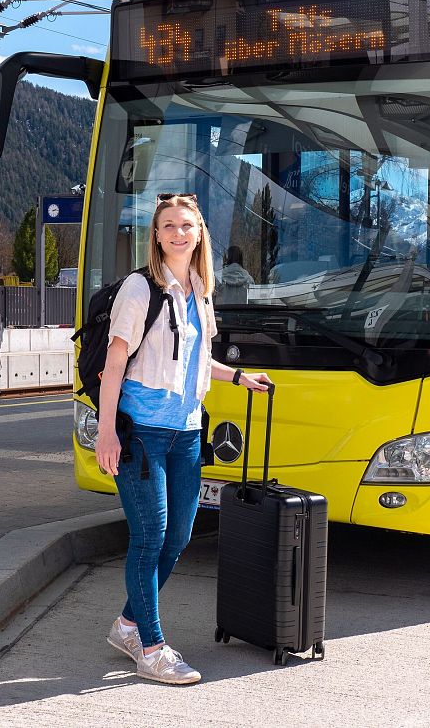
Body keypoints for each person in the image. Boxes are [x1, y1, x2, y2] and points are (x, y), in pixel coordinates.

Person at [96, 193, 272, 685]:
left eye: (187, 225)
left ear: (199, 235)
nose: (178, 233)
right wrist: (107, 432)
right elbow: (114, 366)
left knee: (178, 537)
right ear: (156, 234)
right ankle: (151, 647)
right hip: (143, 433)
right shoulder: (140, 288)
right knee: (150, 537)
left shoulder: (199, 289)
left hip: (187, 431)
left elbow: (193, 361)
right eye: (168, 225)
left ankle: (128, 625)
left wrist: (239, 378)